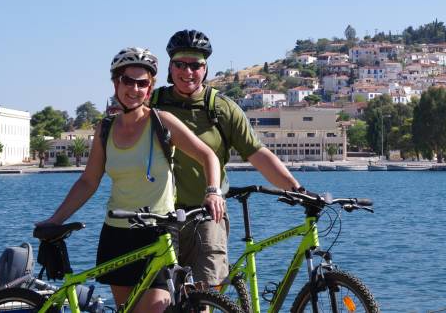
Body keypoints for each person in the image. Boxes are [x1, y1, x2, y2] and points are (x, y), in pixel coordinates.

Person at [37, 47, 225, 313]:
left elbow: (208, 155)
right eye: (128, 81)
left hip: (158, 232)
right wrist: (55, 220)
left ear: (150, 89)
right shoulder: (105, 129)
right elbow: (88, 182)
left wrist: (213, 191)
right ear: (116, 83)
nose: (134, 89)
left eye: (142, 83)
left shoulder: (162, 122)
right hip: (117, 233)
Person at [150, 29, 303, 287]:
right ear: (170, 66)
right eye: (180, 64)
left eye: (195, 65)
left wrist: (296, 189)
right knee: (160, 299)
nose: (188, 72)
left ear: (206, 68)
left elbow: (258, 155)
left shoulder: (221, 108)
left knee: (206, 294)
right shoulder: (153, 104)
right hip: (159, 216)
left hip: (207, 214)